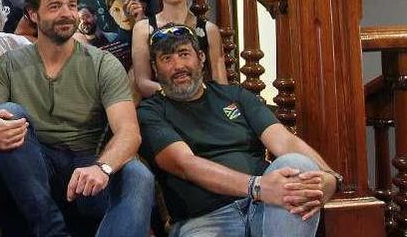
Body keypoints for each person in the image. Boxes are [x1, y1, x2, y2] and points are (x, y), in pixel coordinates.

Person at [0, 0, 154, 236]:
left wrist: (102, 167)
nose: (66, 14)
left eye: (72, 6)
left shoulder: (102, 63)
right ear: (33, 14)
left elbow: (128, 132)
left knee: (139, 175)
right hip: (34, 174)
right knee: (8, 114)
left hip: (88, 171)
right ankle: (51, 230)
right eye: (54, 6)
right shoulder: (10, 63)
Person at [138, 24, 341, 236]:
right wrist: (257, 186)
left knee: (298, 164)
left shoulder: (234, 96)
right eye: (166, 59)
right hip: (204, 220)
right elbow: (186, 165)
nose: (178, 65)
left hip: (265, 205)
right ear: (155, 67)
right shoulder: (150, 112)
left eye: (184, 54)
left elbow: (284, 141)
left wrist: (330, 177)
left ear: (201, 57)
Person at [132, 0, 227, 98]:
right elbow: (142, 82)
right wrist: (179, 94)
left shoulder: (209, 29)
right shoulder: (143, 28)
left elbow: (220, 82)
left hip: (202, 103)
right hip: (161, 102)